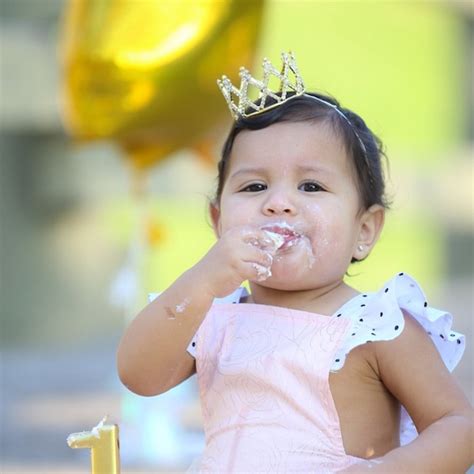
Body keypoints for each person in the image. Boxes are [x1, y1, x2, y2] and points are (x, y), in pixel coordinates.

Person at [117, 53, 473, 472]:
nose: (279, 204)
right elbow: (139, 375)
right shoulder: (214, 315)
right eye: (254, 186)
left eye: (311, 185)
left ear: (364, 230)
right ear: (218, 221)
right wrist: (200, 282)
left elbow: (457, 426)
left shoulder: (375, 325)